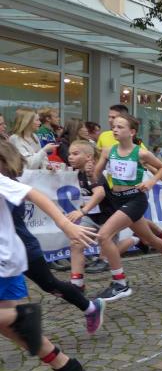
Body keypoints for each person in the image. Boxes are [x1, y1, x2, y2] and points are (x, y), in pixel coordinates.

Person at [0, 141, 97, 371]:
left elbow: (34, 194)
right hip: (7, 260)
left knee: (11, 318)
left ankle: (22, 316)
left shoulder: (3, 181)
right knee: (7, 325)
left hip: (4, 262)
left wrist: (66, 225)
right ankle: (63, 366)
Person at [4, 141, 105, 335]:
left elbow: (39, 197)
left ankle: (90, 308)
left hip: (21, 249)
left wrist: (66, 224)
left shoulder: (10, 185)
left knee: (50, 284)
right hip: (9, 251)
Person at [92, 114, 162, 301]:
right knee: (150, 239)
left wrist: (151, 182)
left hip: (135, 200)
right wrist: (95, 181)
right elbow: (96, 173)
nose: (115, 129)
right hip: (117, 199)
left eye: (120, 127)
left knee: (104, 236)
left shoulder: (140, 153)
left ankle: (120, 283)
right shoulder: (108, 151)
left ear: (132, 132)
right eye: (114, 126)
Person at [66, 140, 138, 295]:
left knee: (109, 252)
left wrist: (82, 211)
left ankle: (135, 241)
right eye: (69, 153)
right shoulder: (80, 172)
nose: (70, 157)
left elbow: (100, 193)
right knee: (76, 243)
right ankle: (77, 284)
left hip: (108, 218)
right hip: (92, 217)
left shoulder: (93, 172)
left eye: (75, 153)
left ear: (88, 157)